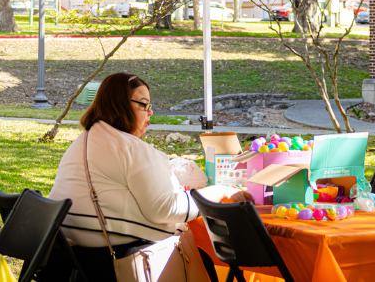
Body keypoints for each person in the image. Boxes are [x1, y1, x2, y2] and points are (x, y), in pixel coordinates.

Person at [47, 72, 250, 280]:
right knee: (204, 262)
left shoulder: (84, 141)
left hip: (68, 263)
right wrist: (219, 192)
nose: (150, 112)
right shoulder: (130, 148)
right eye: (143, 105)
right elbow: (166, 209)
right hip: (118, 264)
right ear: (119, 105)